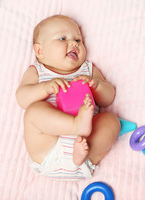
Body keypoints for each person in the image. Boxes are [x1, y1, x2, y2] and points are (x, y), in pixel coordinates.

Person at [16, 15, 121, 181]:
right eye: (63, 38)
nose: (74, 43)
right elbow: (22, 98)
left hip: (84, 150)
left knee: (112, 120)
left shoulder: (88, 69)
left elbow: (108, 98)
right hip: (47, 151)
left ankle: (78, 153)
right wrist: (44, 88)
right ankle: (75, 125)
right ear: (40, 51)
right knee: (34, 112)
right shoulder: (38, 71)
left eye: (78, 40)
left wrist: (96, 85)